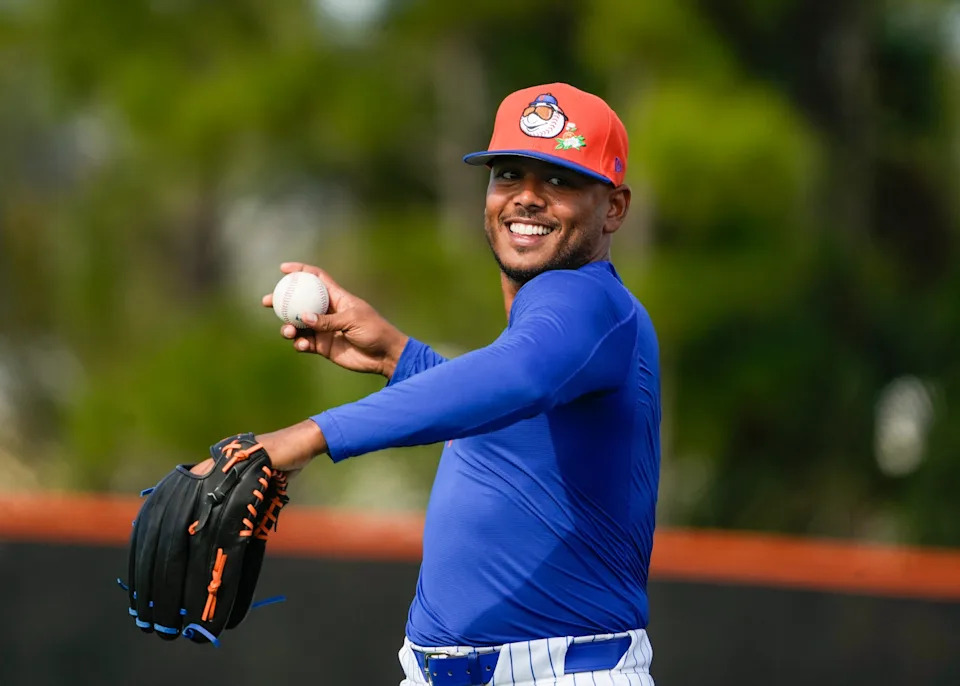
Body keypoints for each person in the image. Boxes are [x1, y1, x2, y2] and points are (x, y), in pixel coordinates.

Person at [257, 83, 659, 685]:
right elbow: (507, 417)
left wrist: (311, 435)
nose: (527, 198)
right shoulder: (556, 329)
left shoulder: (587, 299)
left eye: (560, 181)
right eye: (509, 175)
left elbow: (518, 378)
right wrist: (399, 354)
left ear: (615, 208)